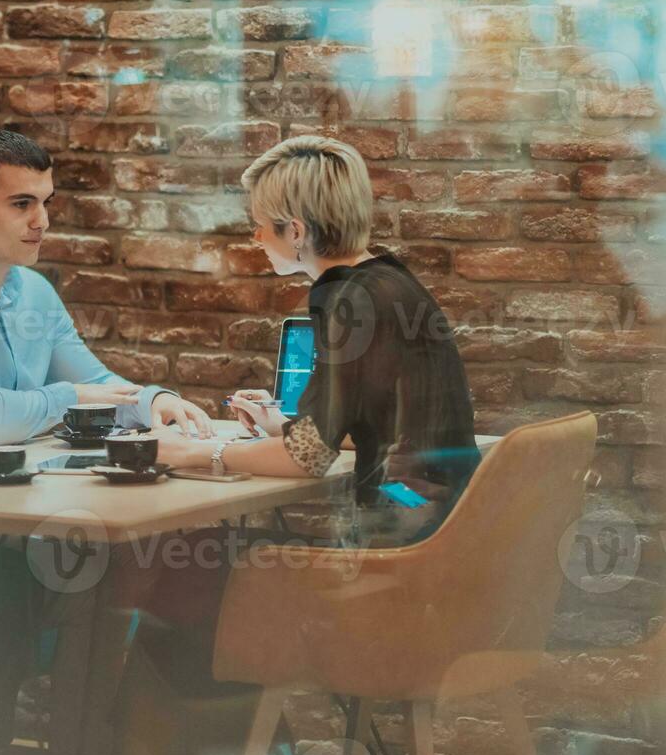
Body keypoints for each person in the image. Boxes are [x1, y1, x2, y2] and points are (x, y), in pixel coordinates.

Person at [156, 134, 480, 544]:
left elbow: (307, 457)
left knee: (206, 562)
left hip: (400, 535)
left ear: (295, 231)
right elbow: (380, 428)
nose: (256, 238)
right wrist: (285, 427)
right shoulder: (387, 278)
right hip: (443, 525)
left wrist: (191, 452)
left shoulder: (346, 299)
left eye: (259, 226)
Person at [0, 128, 214, 449]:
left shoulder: (34, 289)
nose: (42, 221)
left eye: (45, 203)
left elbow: (96, 383)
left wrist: (153, 399)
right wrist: (72, 396)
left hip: (13, 486)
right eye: (22, 204)